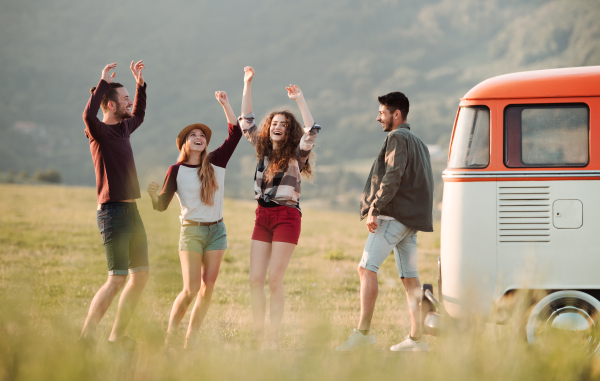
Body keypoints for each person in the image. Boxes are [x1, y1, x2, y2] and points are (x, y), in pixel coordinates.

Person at [336, 91, 434, 352]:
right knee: (410, 278)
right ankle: (417, 341)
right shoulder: (420, 143)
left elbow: (392, 175)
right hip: (411, 222)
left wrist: (375, 208)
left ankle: (363, 334)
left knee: (366, 269)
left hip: (393, 218)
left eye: (381, 113)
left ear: (396, 114)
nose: (378, 117)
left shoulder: (396, 137)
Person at [147, 91, 241, 349]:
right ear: (184, 144)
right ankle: (171, 334)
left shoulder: (216, 163)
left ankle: (191, 339)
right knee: (190, 289)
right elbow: (161, 206)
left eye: (202, 136)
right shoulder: (175, 171)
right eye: (193, 136)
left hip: (217, 232)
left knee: (207, 288)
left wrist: (225, 104)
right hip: (191, 232)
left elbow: (236, 133)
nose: (199, 138)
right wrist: (153, 196)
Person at [239, 66, 320, 349]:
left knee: (274, 280)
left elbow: (311, 131)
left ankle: (273, 337)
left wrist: (299, 99)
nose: (277, 126)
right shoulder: (262, 150)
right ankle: (259, 335)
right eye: (274, 123)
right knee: (255, 280)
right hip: (262, 215)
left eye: (284, 125)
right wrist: (247, 84)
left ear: (289, 132)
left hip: (286, 216)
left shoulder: (297, 154)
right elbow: (246, 121)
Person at [80, 61, 149, 351]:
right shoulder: (99, 131)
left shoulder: (123, 128)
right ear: (109, 104)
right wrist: (103, 81)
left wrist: (140, 84)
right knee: (117, 279)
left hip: (132, 212)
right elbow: (87, 113)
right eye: (124, 100)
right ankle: (84, 341)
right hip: (113, 213)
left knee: (140, 277)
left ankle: (116, 337)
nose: (129, 104)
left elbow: (140, 115)